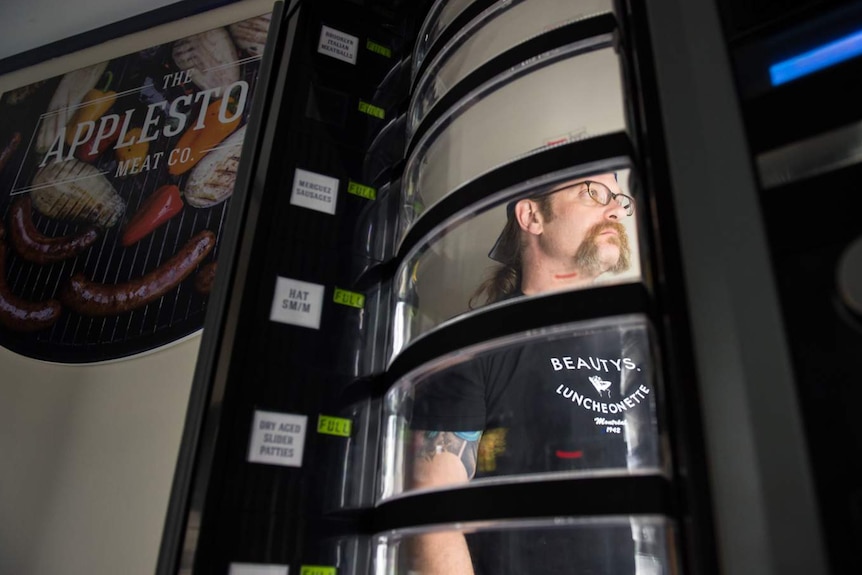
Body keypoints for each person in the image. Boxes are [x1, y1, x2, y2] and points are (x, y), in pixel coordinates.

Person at [402, 173, 655, 574]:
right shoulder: (471, 345)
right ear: (532, 216)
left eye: (619, 198)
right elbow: (432, 517)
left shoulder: (642, 340)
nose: (614, 209)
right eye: (593, 192)